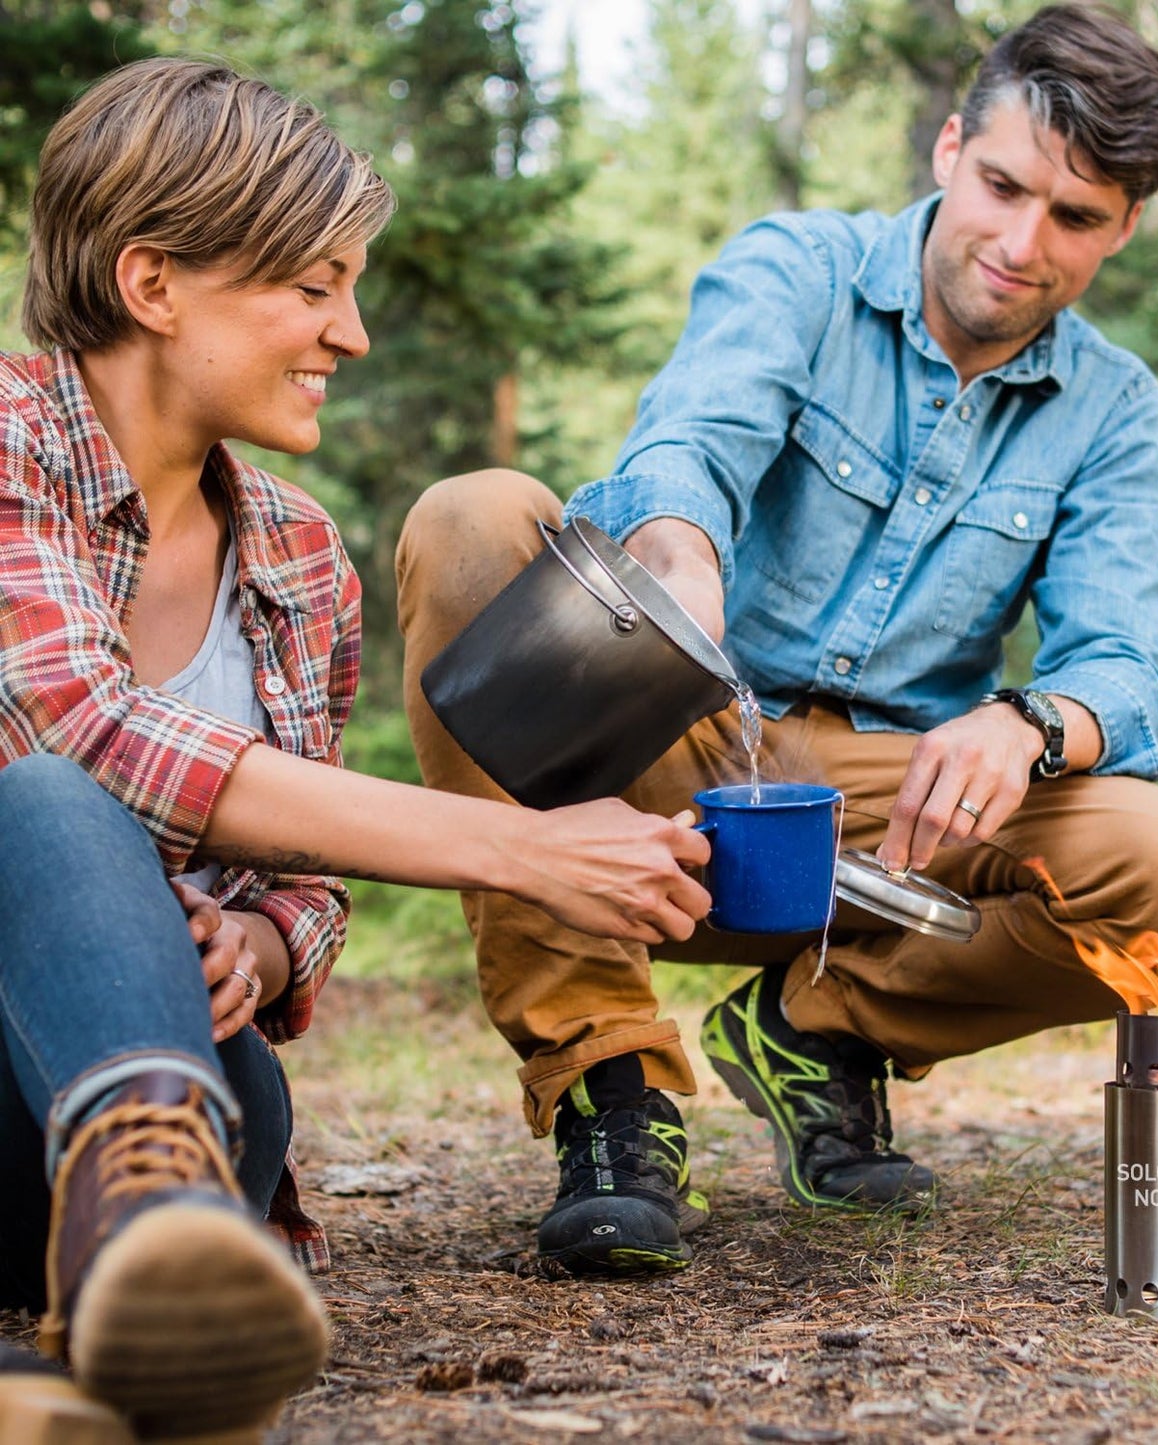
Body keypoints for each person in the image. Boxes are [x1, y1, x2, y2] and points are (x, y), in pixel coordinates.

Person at [395, 3, 1158, 1279]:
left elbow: (1125, 654)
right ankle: (609, 1084)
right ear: (949, 145)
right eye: (1002, 186)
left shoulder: (1112, 407)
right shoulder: (796, 269)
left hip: (885, 814)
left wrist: (1027, 724)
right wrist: (681, 542)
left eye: (1073, 217)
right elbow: (693, 435)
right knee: (471, 520)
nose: (1022, 245)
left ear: (1122, 226)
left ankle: (817, 1028)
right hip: (665, 750)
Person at [0, 56, 710, 1439]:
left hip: (183, 1107)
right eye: (314, 288)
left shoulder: (300, 553)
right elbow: (81, 732)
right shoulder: (7, 446)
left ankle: (137, 1272)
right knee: (41, 803)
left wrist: (259, 947)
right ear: (153, 286)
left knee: (237, 1093)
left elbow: (304, 886)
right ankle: (141, 1277)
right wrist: (522, 845)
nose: (354, 332)